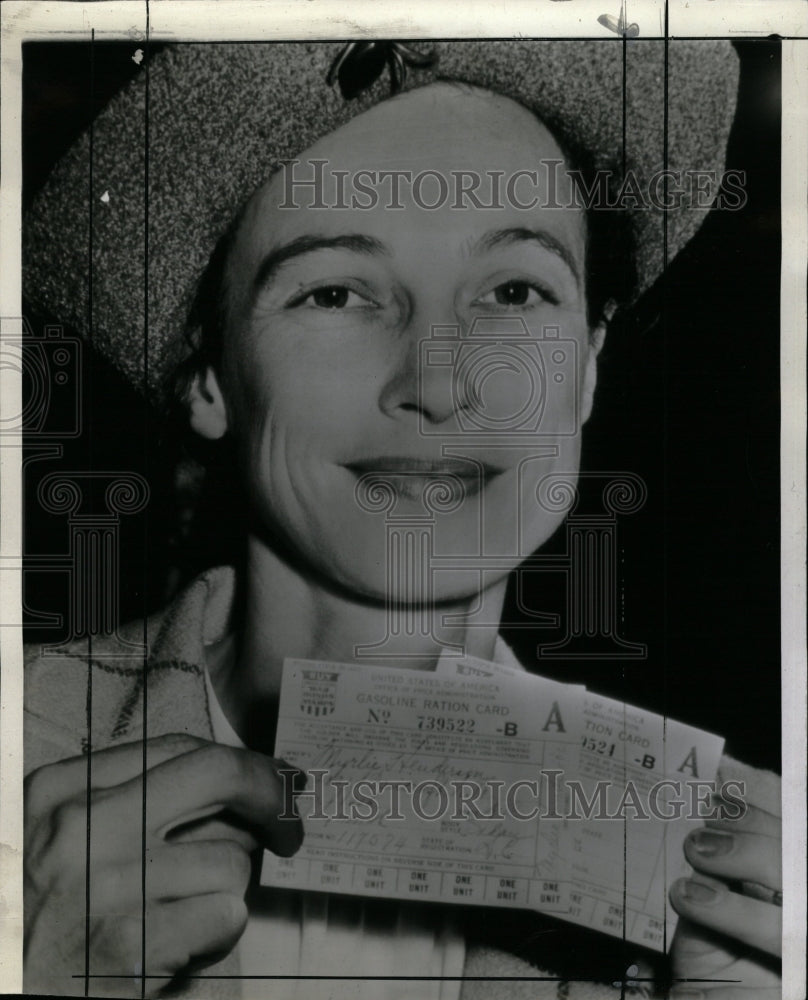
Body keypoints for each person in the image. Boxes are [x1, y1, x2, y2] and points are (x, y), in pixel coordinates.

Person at [21, 40, 781, 999]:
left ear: (589, 361)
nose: (439, 382)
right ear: (208, 378)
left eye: (514, 291)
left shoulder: (740, 877)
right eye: (334, 292)